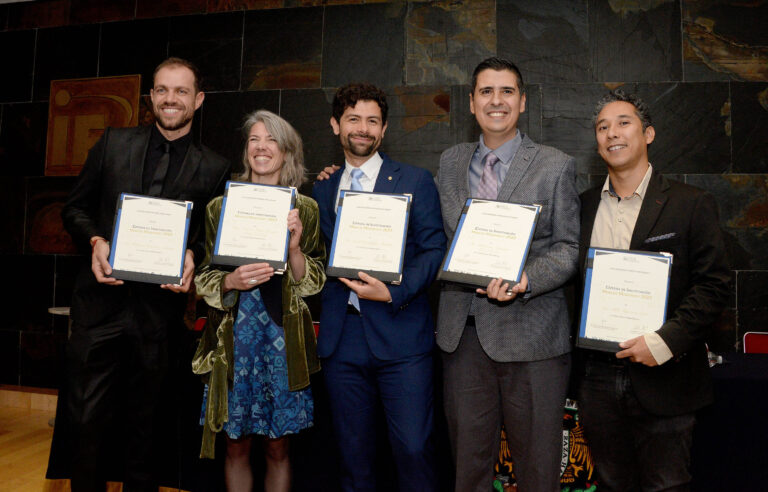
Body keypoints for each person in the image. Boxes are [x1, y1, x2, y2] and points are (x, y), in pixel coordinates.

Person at [58, 57, 230, 492]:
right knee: (87, 423)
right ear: (151, 96)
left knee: (147, 429)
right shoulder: (112, 144)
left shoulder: (215, 167)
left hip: (160, 315)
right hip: (100, 307)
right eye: (162, 90)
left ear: (199, 99)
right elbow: (73, 207)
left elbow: (210, 237)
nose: (171, 99)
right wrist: (96, 241)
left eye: (181, 91)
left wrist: (193, 254)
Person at [436, 57, 580, 492]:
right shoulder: (449, 161)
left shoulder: (555, 164)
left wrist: (526, 281)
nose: (496, 101)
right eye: (486, 91)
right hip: (462, 337)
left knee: (538, 472)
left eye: (506, 92)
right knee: (468, 471)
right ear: (471, 102)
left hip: (533, 338)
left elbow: (569, 247)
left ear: (522, 101)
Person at [575, 90, 730, 491]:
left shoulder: (691, 203)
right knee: (610, 484)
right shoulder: (581, 207)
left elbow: (714, 285)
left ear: (648, 134)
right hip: (598, 379)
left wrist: (664, 342)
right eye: (602, 127)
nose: (612, 133)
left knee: (667, 485)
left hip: (667, 376)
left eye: (623, 123)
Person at [312, 83, 446, 492]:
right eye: (354, 119)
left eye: (373, 120)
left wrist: (395, 291)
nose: (363, 128)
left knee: (413, 450)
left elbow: (433, 248)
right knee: (353, 458)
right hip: (342, 337)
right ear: (337, 125)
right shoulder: (321, 187)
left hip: (401, 333)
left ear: (384, 129)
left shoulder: (416, 180)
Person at [192, 109, 325, 492]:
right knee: (234, 447)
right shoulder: (221, 207)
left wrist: (296, 250)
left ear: (287, 152)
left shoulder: (307, 209)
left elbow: (313, 283)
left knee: (278, 448)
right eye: (254, 140)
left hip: (283, 343)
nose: (261, 147)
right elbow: (204, 277)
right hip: (233, 342)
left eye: (271, 140)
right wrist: (230, 279)